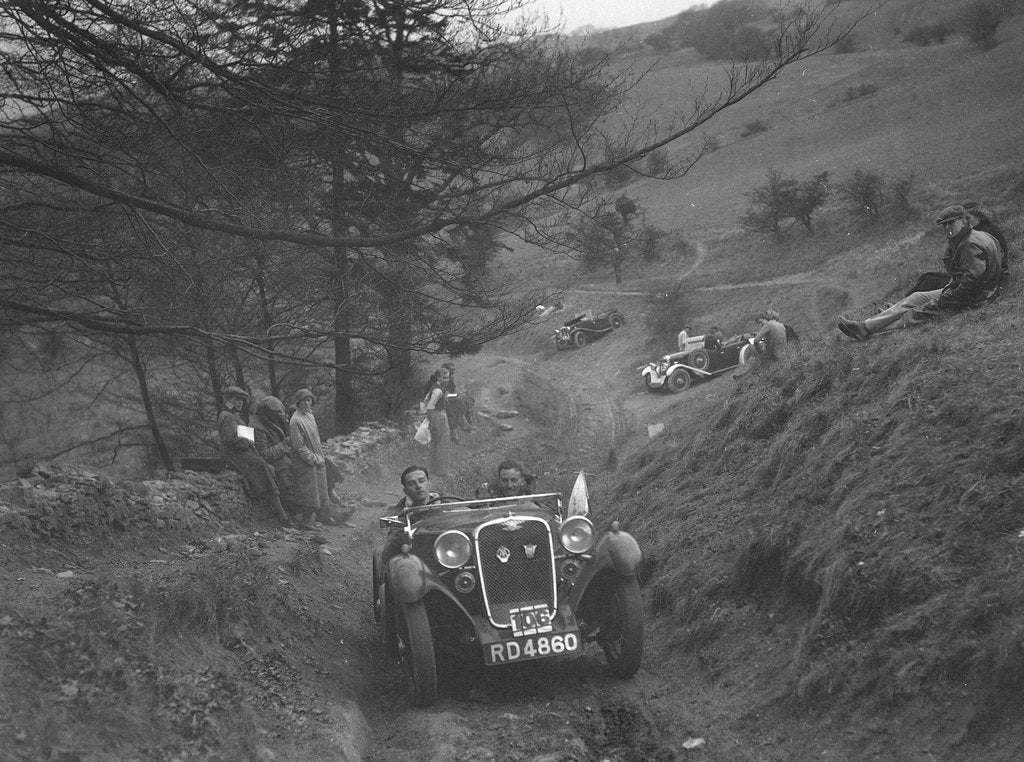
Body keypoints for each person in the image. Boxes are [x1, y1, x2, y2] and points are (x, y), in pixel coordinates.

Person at [838, 205, 1002, 341]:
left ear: (963, 220)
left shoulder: (968, 244)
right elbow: (1001, 266)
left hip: (975, 298)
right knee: (916, 297)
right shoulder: (980, 236)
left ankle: (869, 331)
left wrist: (944, 298)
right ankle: (867, 325)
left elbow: (971, 283)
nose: (947, 228)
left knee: (917, 313)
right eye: (944, 225)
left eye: (951, 223)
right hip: (976, 292)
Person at [217, 386, 290, 525]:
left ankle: (280, 510)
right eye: (236, 399)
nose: (239, 403)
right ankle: (282, 514)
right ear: (228, 400)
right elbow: (229, 440)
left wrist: (248, 441)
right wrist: (248, 441)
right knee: (261, 466)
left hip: (242, 452)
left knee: (264, 465)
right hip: (234, 455)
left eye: (241, 400)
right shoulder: (227, 416)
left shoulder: (235, 416)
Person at [252, 395, 309, 529]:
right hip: (275, 464)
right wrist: (284, 444)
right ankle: (297, 511)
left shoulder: (272, 420)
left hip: (285, 456)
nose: (279, 417)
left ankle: (321, 506)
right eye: (275, 415)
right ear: (266, 413)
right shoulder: (257, 427)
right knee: (287, 472)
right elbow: (264, 454)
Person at [289, 388, 335, 526]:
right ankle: (306, 521)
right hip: (305, 461)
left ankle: (324, 517)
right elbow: (299, 447)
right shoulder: (295, 421)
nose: (307, 404)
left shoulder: (309, 415)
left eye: (309, 400)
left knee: (321, 490)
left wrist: (320, 453)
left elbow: (315, 437)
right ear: (298, 403)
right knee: (310, 493)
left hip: (316, 457)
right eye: (303, 401)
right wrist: (313, 459)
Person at [380, 466, 443, 566]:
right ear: (406, 491)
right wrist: (403, 538)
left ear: (429, 483)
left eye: (421, 481)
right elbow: (387, 553)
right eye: (411, 484)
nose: (418, 486)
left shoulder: (448, 503)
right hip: (421, 563)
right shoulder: (401, 514)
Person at [963, 201, 1009, 280]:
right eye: (963, 219)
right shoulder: (991, 227)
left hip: (991, 277)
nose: (965, 222)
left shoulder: (980, 234)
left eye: (968, 218)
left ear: (979, 217)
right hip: (998, 272)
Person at [421, 366, 451, 476]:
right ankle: (442, 471)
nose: (446, 380)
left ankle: (434, 470)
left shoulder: (437, 388)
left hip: (437, 415)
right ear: (438, 377)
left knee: (435, 443)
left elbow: (426, 401)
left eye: (447, 378)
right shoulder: (437, 390)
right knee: (443, 443)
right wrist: (431, 421)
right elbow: (430, 406)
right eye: (444, 378)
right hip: (438, 415)